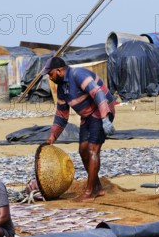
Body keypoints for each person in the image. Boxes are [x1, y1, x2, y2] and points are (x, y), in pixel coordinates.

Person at [45, 57, 116, 202]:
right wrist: (53, 136)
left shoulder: (78, 75)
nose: (49, 78)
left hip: (100, 110)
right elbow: (61, 115)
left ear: (59, 71)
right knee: (83, 150)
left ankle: (90, 192)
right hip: (87, 116)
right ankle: (97, 187)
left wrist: (105, 119)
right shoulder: (62, 89)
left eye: (50, 74)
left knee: (92, 149)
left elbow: (98, 94)